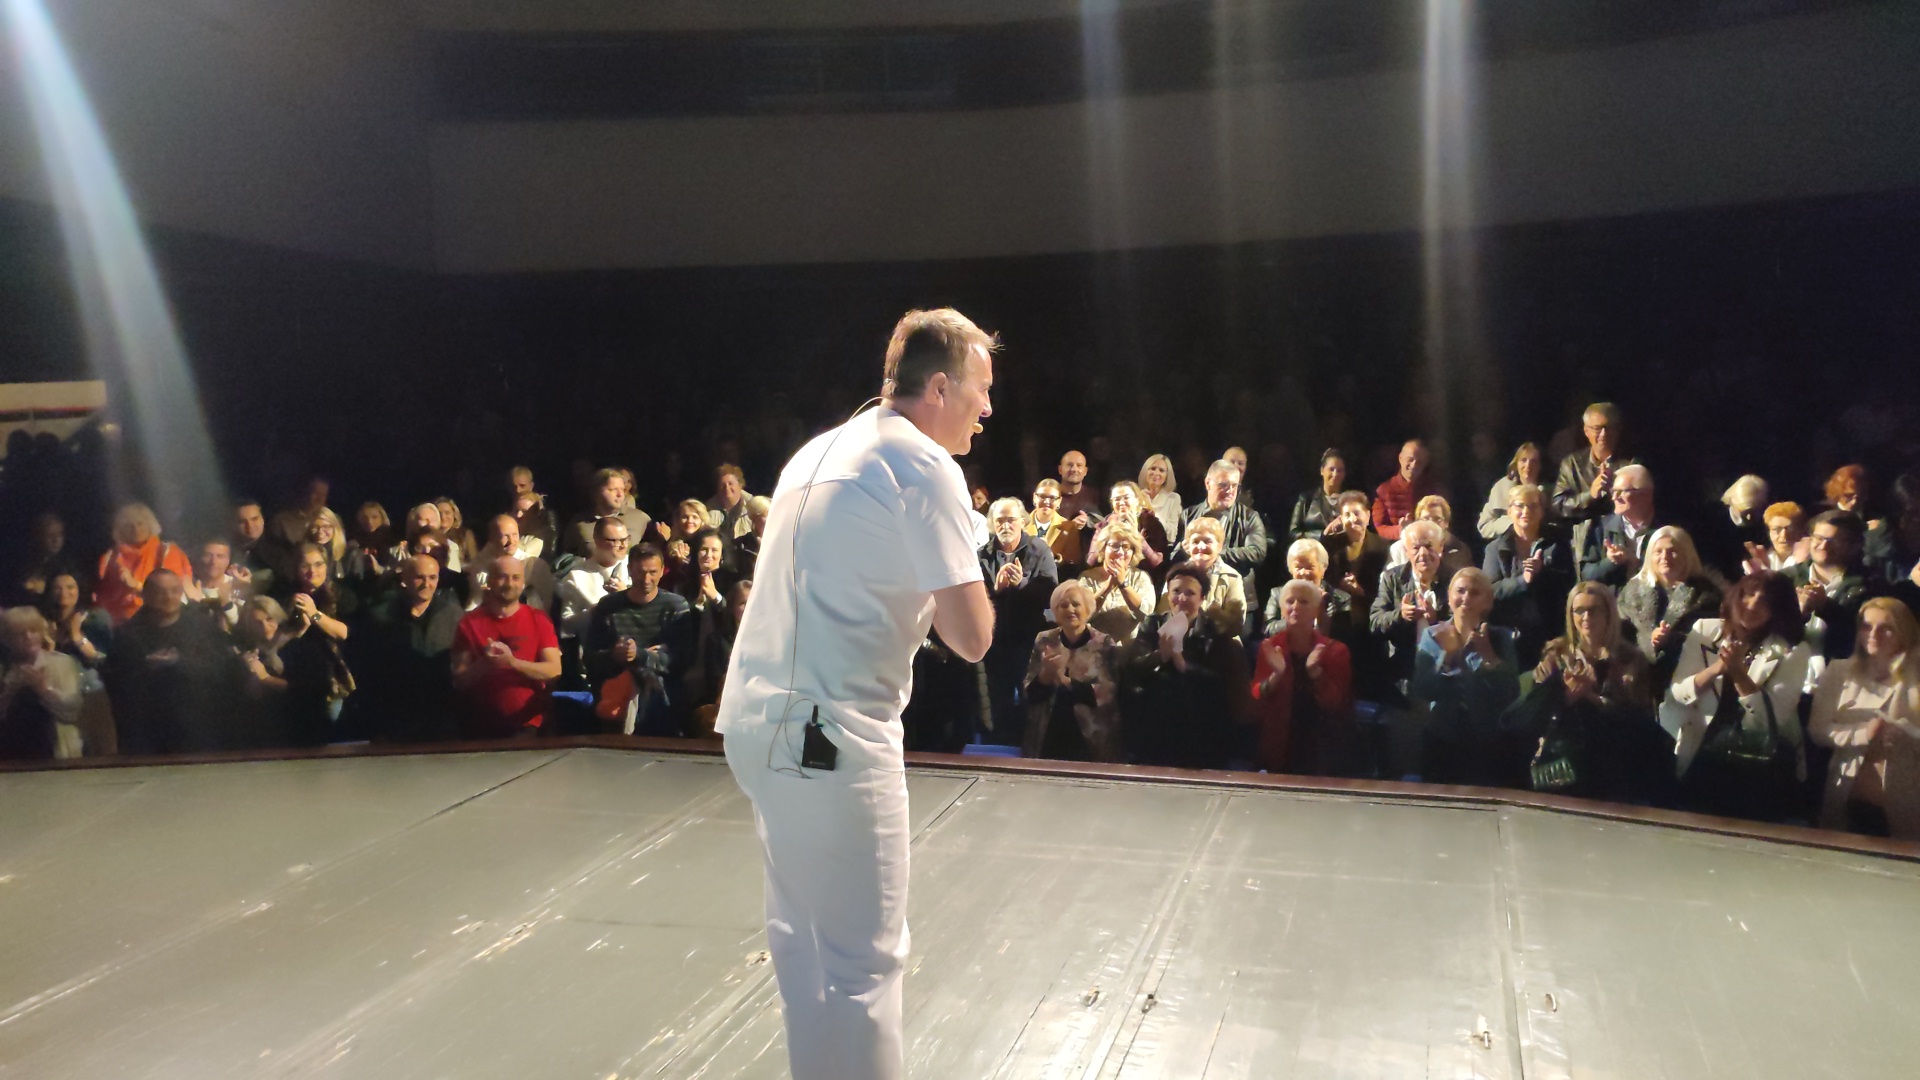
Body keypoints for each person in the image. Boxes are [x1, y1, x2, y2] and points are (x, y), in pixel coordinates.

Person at [715, 307, 996, 1080]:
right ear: (939, 389)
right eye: (980, 389)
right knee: (866, 964)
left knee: (802, 945)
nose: (987, 408)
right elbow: (972, 636)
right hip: (830, 734)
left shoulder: (815, 451)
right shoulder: (924, 466)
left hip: (752, 723)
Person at [1661, 572, 1813, 823]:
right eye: (1747, 595)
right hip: (1701, 750)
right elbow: (1677, 693)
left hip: (1757, 765)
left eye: (1765, 601)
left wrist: (1739, 675)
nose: (1752, 605)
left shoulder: (1793, 651)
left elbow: (1769, 721)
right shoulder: (1705, 630)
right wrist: (1717, 670)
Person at [1508, 582, 1666, 804]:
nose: (1586, 617)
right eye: (1579, 610)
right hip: (1567, 763)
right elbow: (1536, 710)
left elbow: (1639, 714)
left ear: (1609, 613)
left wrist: (1592, 698)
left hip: (1618, 762)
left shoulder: (1630, 658)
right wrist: (1566, 697)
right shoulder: (1557, 655)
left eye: (1594, 610)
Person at [1120, 564, 1251, 769]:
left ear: (1202, 598)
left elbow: (1222, 684)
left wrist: (1182, 664)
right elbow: (1132, 670)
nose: (1181, 598)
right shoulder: (1153, 624)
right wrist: (1160, 655)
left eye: (1190, 593)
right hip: (1158, 720)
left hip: (1201, 723)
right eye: (1176, 591)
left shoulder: (1214, 631)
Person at [1808, 598, 1920, 838]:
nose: (1874, 635)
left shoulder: (1916, 678)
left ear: (1905, 633)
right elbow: (1818, 729)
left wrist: (1905, 735)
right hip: (1846, 789)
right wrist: (1863, 734)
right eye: (1867, 626)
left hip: (1905, 799)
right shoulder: (1839, 671)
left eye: (1886, 628)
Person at [1409, 567, 1523, 787]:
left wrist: (1489, 656)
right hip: (1443, 740)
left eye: (1475, 592)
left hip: (1488, 744)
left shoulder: (1500, 638)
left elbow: (1511, 692)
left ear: (1488, 602)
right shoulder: (1433, 635)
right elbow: (1422, 688)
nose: (1466, 597)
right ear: (1449, 597)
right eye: (1460, 591)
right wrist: (1448, 657)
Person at [103, 570, 237, 754]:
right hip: (148, 730)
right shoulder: (127, 634)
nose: (168, 597)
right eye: (160, 592)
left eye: (174, 591)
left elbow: (220, 670)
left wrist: (180, 662)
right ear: (146, 595)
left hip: (196, 727)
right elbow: (117, 682)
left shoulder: (202, 627)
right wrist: (144, 666)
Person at [347, 554, 463, 744]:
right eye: (419, 577)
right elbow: (366, 671)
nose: (426, 584)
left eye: (432, 577)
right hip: (393, 719)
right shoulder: (379, 617)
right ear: (404, 579)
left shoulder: (453, 615)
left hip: (440, 717)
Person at [451, 555, 562, 740]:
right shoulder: (468, 623)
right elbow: (460, 681)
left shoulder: (539, 619)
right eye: (502, 577)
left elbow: (554, 670)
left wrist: (512, 663)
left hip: (529, 726)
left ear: (523, 583)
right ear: (489, 581)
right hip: (480, 728)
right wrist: (485, 663)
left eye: (516, 577)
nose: (509, 583)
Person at [1252, 579, 1354, 776]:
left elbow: (1340, 705)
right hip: (1279, 744)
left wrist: (1316, 674)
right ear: (1282, 610)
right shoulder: (1270, 647)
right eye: (1290, 601)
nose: (1296, 606)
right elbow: (1256, 699)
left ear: (1316, 609)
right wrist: (1276, 676)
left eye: (1304, 602)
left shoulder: (1336, 650)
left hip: (1324, 748)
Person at [979, 498, 1059, 746]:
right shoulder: (981, 555)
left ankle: (1028, 748)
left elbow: (1050, 595)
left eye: (1011, 520)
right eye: (1000, 520)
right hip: (994, 641)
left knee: (1027, 698)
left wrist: (1021, 584)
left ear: (1023, 521)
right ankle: (997, 748)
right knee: (997, 699)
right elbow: (973, 598)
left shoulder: (1039, 549)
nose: (1005, 525)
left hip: (1029, 640)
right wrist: (997, 589)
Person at [1022, 580, 1122, 762]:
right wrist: (1046, 675)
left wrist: (1066, 681)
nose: (1070, 610)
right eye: (1063, 605)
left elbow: (1109, 692)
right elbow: (1029, 691)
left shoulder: (1104, 643)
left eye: (1076, 604)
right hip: (1048, 730)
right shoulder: (1044, 640)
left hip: (1091, 734)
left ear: (1087, 609)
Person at [1483, 483, 1576, 669]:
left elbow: (1568, 583)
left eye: (1533, 506)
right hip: (1510, 635)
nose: (1526, 511)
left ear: (1542, 511)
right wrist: (1523, 580)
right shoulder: (1495, 549)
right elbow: (1490, 591)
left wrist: (1541, 574)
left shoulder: (1557, 544)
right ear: (1509, 511)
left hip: (1549, 632)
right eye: (1520, 505)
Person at [1616, 526, 1723, 684]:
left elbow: (1711, 639)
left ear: (1687, 554)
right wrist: (1648, 641)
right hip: (1639, 680)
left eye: (1672, 551)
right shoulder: (1632, 591)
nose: (1665, 557)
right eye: (1658, 552)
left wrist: (1671, 639)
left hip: (1686, 678)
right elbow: (1620, 635)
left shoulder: (1706, 595)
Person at [278, 541, 357, 747]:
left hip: (331, 679)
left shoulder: (341, 594)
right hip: (294, 678)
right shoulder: (284, 596)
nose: (312, 572)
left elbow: (344, 632)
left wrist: (314, 614)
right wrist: (298, 628)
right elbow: (274, 639)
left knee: (327, 738)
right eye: (305, 565)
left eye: (318, 564)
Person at [1370, 520, 1454, 702]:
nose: (1423, 554)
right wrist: (1400, 615)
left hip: (1444, 669)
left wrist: (1436, 620)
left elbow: (1464, 624)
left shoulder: (1454, 579)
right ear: (1406, 551)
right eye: (1416, 548)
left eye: (1429, 546)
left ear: (1441, 547)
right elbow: (1375, 622)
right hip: (1403, 671)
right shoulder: (1392, 579)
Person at [1179, 459, 1268, 620]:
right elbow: (1173, 557)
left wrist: (1213, 553)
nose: (1230, 491)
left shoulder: (1249, 517)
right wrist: (1182, 549)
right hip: (1191, 599)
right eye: (1223, 485)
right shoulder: (1188, 515)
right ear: (1208, 483)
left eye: (1234, 486)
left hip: (1238, 599)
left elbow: (1257, 552)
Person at [1788, 511, 1879, 661]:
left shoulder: (1871, 584)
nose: (1824, 546)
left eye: (1835, 541)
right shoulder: (1787, 578)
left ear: (1855, 545)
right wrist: (1799, 613)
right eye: (1819, 538)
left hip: (1842, 669)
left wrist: (1826, 608)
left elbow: (1863, 634)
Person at [0, 607, 85, 760]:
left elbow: (72, 711)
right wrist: (9, 692)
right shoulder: (4, 670)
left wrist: (43, 689)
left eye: (33, 630)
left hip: (55, 752)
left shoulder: (62, 663)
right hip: (10, 754)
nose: (28, 637)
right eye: (19, 633)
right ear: (7, 639)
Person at [94, 502, 194, 625]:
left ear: (150, 525)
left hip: (158, 622)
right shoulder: (110, 558)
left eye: (140, 524)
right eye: (129, 526)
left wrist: (135, 586)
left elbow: (172, 594)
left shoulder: (166, 552)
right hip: (118, 625)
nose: (136, 529)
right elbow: (103, 598)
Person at [1578, 464, 1663, 588]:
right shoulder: (1601, 527)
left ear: (1645, 495)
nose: (1614, 498)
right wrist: (1609, 562)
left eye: (1621, 492)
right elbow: (1586, 575)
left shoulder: (1666, 530)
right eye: (1613, 492)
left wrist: (1634, 561)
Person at [1156, 516, 1244, 637]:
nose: (1201, 546)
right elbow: (1164, 612)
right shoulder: (1175, 574)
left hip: (1219, 639)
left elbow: (1236, 622)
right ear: (1188, 546)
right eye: (1196, 541)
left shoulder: (1232, 577)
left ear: (1219, 546)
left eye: (1208, 541)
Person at [556, 516, 634, 643]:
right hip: (598, 646)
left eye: (625, 539)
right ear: (597, 541)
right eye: (615, 541)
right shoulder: (577, 576)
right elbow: (567, 626)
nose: (623, 545)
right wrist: (598, 609)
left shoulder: (636, 565)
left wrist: (626, 597)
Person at [1551, 402, 1631, 524]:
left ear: (1617, 430)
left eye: (1608, 428)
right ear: (1586, 431)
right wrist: (1590, 495)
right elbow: (1559, 506)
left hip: (1620, 531)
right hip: (1583, 533)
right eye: (1597, 428)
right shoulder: (1572, 463)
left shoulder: (1630, 464)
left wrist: (1613, 491)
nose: (1603, 434)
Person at [1079, 522, 1156, 645]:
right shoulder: (1087, 577)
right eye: (1114, 546)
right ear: (1103, 549)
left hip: (1129, 649)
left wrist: (1123, 584)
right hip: (1093, 647)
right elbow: (1082, 614)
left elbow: (1145, 615)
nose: (1120, 552)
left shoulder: (1141, 577)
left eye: (1126, 547)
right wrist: (1107, 587)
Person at [468, 514, 556, 613]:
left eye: (515, 535)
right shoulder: (481, 568)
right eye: (505, 536)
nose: (511, 541)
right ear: (492, 539)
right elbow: (475, 601)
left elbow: (546, 603)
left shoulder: (535, 566)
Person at [561, 468, 653, 560]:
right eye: (613, 489)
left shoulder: (641, 519)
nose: (620, 494)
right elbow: (565, 557)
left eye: (622, 489)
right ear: (596, 492)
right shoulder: (579, 524)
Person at [1090, 481, 1173, 583]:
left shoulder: (1151, 524)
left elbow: (1158, 564)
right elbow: (1090, 561)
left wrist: (1136, 535)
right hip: (1107, 577)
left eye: (1126, 498)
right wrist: (1107, 535)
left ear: (1137, 500)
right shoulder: (1104, 525)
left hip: (1143, 579)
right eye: (1117, 499)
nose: (1121, 503)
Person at [1325, 490, 1391, 615]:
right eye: (1347, 515)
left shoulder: (1381, 545)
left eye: (1357, 513)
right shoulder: (1331, 544)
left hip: (1370, 611)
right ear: (1341, 519)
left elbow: (1384, 589)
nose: (1353, 519)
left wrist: (1361, 591)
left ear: (1368, 515)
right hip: (1336, 611)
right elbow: (1325, 578)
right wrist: (1340, 583)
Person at [38, 571, 111, 672]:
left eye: (70, 587)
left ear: (79, 589)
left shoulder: (94, 619)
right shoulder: (43, 620)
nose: (63, 593)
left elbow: (103, 661)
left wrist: (77, 637)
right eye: (57, 588)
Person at [1386, 495, 1473, 580]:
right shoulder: (1399, 548)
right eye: (1425, 519)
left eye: (1437, 519)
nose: (1431, 523)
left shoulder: (1459, 550)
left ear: (1446, 523)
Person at [1477, 442, 1547, 542]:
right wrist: (1512, 524)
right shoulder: (1502, 488)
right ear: (1516, 463)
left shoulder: (1550, 491)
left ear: (1540, 465)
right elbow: (1484, 526)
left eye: (1534, 461)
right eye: (1523, 460)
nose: (1528, 465)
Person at [8, 511, 80, 605]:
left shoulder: (68, 566)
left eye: (59, 534)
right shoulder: (23, 563)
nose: (56, 540)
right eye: (50, 535)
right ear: (38, 536)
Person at [1372, 439, 1437, 541]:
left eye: (1419, 462)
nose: (1414, 465)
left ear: (1425, 463)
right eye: (1410, 459)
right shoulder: (1384, 490)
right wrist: (1400, 530)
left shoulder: (1433, 490)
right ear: (1400, 458)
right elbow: (1379, 526)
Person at [669, 529, 741, 613]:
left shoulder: (732, 581)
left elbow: (735, 614)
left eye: (714, 550)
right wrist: (698, 604)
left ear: (722, 555)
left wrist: (716, 597)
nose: (708, 555)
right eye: (704, 549)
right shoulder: (685, 580)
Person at [1026, 479, 1086, 579]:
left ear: (1059, 501)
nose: (1046, 501)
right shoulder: (1021, 524)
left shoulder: (1069, 527)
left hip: (1055, 579)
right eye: (1042, 496)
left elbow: (1073, 562)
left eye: (1052, 498)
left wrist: (1053, 557)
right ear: (1034, 497)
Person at [185, 539, 248, 632]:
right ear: (199, 558)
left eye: (220, 556)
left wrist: (226, 603)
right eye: (208, 555)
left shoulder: (238, 586)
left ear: (228, 560)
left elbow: (242, 625)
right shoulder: (188, 586)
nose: (213, 562)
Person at [1289, 449, 1348, 543]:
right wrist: (1322, 536)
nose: (1335, 474)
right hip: (1312, 550)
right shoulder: (1306, 499)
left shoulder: (1350, 501)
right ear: (1322, 470)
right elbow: (1293, 533)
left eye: (1340, 470)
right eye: (1331, 469)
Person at [706, 464, 758, 570]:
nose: (727, 488)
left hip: (748, 563)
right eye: (722, 485)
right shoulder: (707, 511)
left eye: (730, 483)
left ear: (740, 485)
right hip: (719, 565)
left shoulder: (754, 508)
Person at [231, 500, 280, 596]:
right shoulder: (227, 550)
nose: (249, 526)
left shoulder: (279, 551)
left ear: (262, 520)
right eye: (242, 522)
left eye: (254, 519)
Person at [1138, 453, 1183, 539]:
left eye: (1161, 470)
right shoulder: (1136, 496)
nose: (1156, 473)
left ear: (1167, 476)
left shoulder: (1173, 498)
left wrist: (1151, 511)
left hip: (1162, 546)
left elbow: (1171, 535)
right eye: (1153, 468)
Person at [1756, 501, 1809, 573]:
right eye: (1776, 529)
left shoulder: (1809, 558)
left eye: (1790, 529)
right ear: (1768, 531)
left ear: (1800, 530)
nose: (1784, 535)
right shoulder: (1761, 559)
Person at [1056, 449, 1101, 522]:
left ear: (1085, 471)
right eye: (1069, 465)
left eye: (1079, 465)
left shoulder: (1094, 496)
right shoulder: (1050, 496)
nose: (1074, 469)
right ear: (1060, 469)